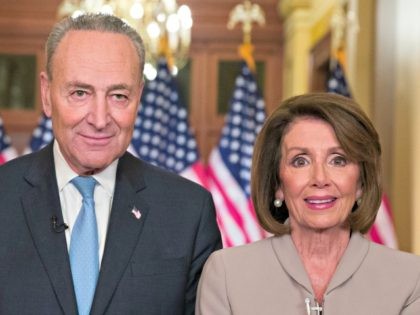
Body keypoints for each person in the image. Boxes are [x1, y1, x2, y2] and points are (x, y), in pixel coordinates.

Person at [0, 13, 221, 314]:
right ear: (46, 95)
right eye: (80, 93)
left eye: (118, 96)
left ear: (139, 98)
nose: (100, 119)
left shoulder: (188, 212)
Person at [196, 93, 420, 314]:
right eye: (300, 161)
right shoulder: (227, 274)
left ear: (361, 182)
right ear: (278, 184)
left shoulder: (410, 279)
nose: (320, 179)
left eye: (338, 160)